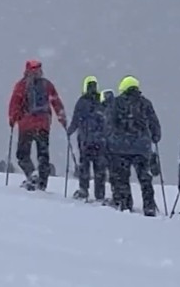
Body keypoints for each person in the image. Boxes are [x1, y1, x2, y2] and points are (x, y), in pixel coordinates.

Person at [8, 60, 66, 190]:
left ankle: (32, 175)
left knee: (22, 154)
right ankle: (42, 183)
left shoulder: (22, 85)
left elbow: (15, 103)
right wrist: (62, 119)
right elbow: (56, 102)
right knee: (43, 155)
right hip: (43, 125)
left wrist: (13, 119)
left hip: (26, 125)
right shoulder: (47, 85)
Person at [109, 75, 161, 215]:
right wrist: (156, 136)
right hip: (142, 147)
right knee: (145, 178)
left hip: (122, 148)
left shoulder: (117, 103)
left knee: (123, 178)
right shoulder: (145, 103)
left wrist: (111, 139)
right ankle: (149, 206)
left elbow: (110, 123)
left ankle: (126, 204)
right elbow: (154, 122)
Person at [67, 76, 107, 202]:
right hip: (100, 142)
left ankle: (84, 190)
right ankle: (99, 194)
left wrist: (70, 131)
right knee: (99, 168)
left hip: (85, 141)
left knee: (84, 166)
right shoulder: (101, 101)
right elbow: (107, 119)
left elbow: (76, 119)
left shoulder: (82, 101)